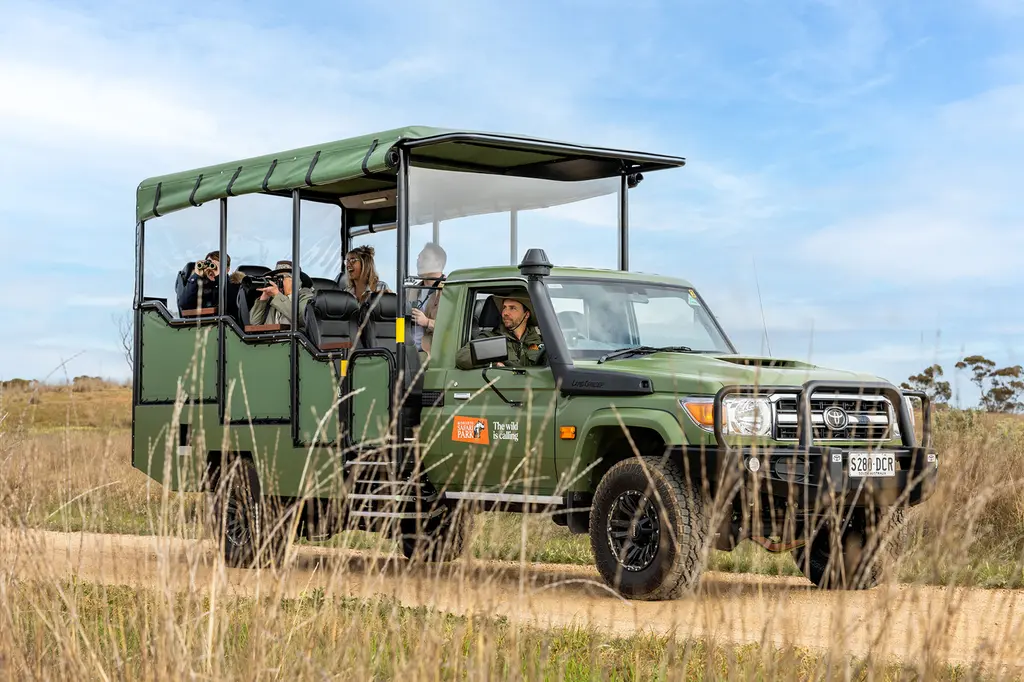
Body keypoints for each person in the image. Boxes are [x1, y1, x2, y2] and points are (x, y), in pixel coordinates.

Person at [455, 293, 545, 369]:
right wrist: (493, 364)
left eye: (512, 308)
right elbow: (462, 358)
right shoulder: (490, 338)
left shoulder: (541, 342)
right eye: (504, 307)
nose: (505, 313)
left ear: (526, 315)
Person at [249, 259, 314, 329]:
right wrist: (263, 299)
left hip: (291, 339)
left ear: (295, 280)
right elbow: (254, 323)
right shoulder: (273, 299)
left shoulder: (306, 296)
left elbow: (302, 318)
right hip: (270, 339)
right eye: (275, 278)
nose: (277, 282)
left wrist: (278, 295)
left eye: (281, 278)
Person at [177, 250, 243, 316]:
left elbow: (232, 303)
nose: (211, 269)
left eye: (215, 266)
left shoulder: (235, 286)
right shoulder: (199, 286)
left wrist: (218, 276)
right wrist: (196, 275)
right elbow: (184, 304)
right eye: (209, 265)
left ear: (227, 270)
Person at [409, 242, 447, 355]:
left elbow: (452, 328)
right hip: (407, 349)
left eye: (424, 258)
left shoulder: (449, 290)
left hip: (431, 353)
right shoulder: (411, 290)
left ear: (438, 263)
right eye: (418, 258)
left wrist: (426, 322)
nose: (419, 261)